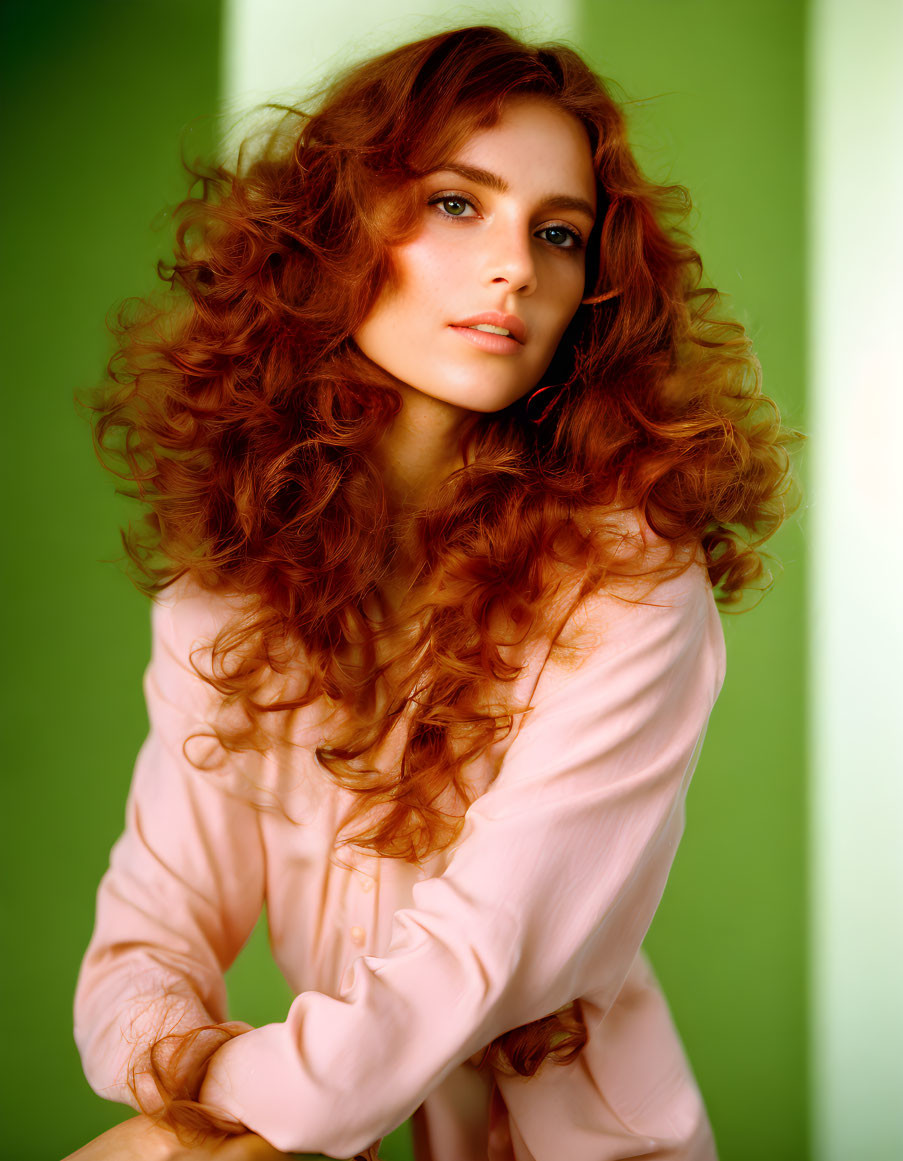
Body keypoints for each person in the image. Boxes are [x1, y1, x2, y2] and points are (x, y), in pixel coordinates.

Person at [70, 23, 797, 1161]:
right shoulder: (227, 605)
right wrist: (193, 1085)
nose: (516, 264)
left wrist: (234, 1121)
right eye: (458, 203)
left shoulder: (629, 584)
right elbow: (142, 951)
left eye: (558, 234)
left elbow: (484, 953)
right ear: (335, 230)